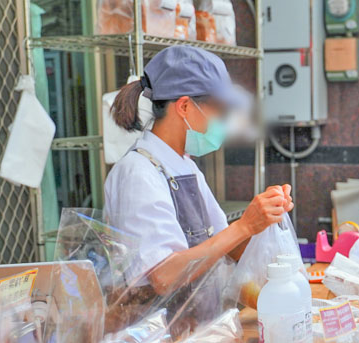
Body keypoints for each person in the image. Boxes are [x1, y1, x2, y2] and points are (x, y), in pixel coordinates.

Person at [104, 45, 293, 305]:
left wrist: (265, 218)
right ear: (184, 106)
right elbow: (164, 275)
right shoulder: (138, 173)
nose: (224, 123)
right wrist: (245, 224)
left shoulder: (184, 165)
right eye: (220, 111)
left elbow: (226, 245)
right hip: (155, 336)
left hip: (196, 331)